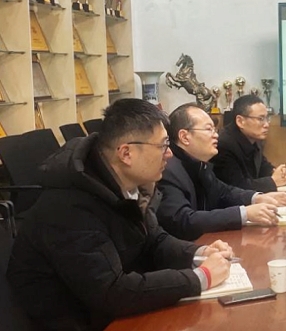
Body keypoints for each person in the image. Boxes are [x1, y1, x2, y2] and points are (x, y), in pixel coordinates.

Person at [6, 99, 234, 331]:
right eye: (163, 146)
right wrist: (201, 277)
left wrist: (198, 253)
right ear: (126, 153)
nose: (169, 155)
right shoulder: (69, 206)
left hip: (108, 314)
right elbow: (112, 292)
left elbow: (154, 240)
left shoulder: (128, 184)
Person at [155, 103, 286, 241]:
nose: (216, 135)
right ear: (184, 137)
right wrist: (244, 213)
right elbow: (183, 220)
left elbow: (223, 192)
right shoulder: (168, 170)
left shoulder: (198, 163)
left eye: (215, 130)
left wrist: (256, 198)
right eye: (209, 129)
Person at [212, 94, 286, 193]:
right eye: (260, 119)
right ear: (240, 121)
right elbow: (237, 187)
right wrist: (273, 181)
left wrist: (279, 172)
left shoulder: (253, 139)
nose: (267, 124)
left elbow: (263, 168)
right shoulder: (223, 145)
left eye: (267, 118)